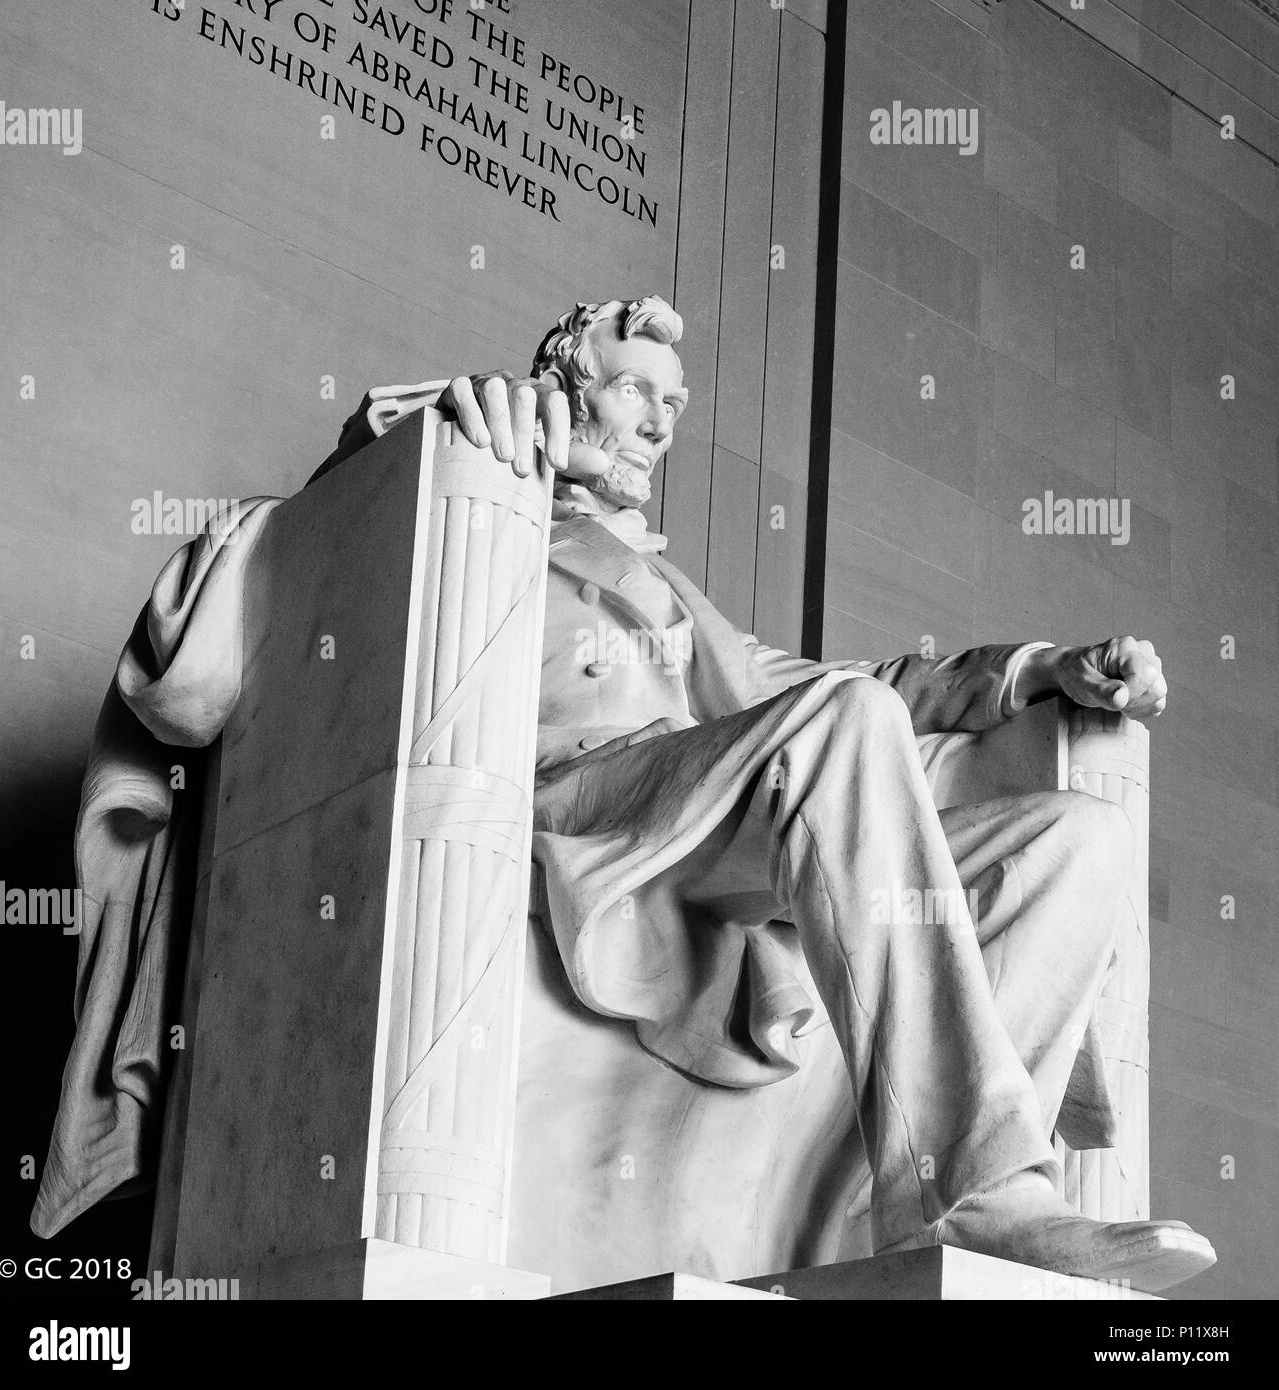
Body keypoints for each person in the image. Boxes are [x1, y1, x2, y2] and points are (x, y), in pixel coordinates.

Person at [312, 295, 1213, 1291]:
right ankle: (980, 1192)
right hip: (572, 797)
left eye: (675, 400)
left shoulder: (689, 612)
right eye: (634, 391)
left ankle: (940, 1205)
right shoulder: (489, 492)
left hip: (706, 798)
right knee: (843, 725)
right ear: (559, 391)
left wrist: (1046, 671)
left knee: (1075, 840)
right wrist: (454, 416)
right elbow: (342, 506)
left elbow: (876, 689)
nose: (661, 423)